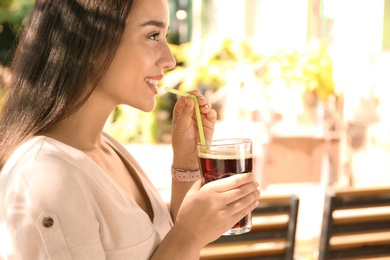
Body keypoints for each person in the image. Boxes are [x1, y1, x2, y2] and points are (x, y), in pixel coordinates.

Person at [0, 0, 260, 259]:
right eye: (152, 35)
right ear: (90, 45)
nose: (169, 60)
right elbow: (178, 243)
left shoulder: (108, 148)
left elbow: (162, 246)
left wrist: (187, 164)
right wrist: (188, 236)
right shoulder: (44, 176)